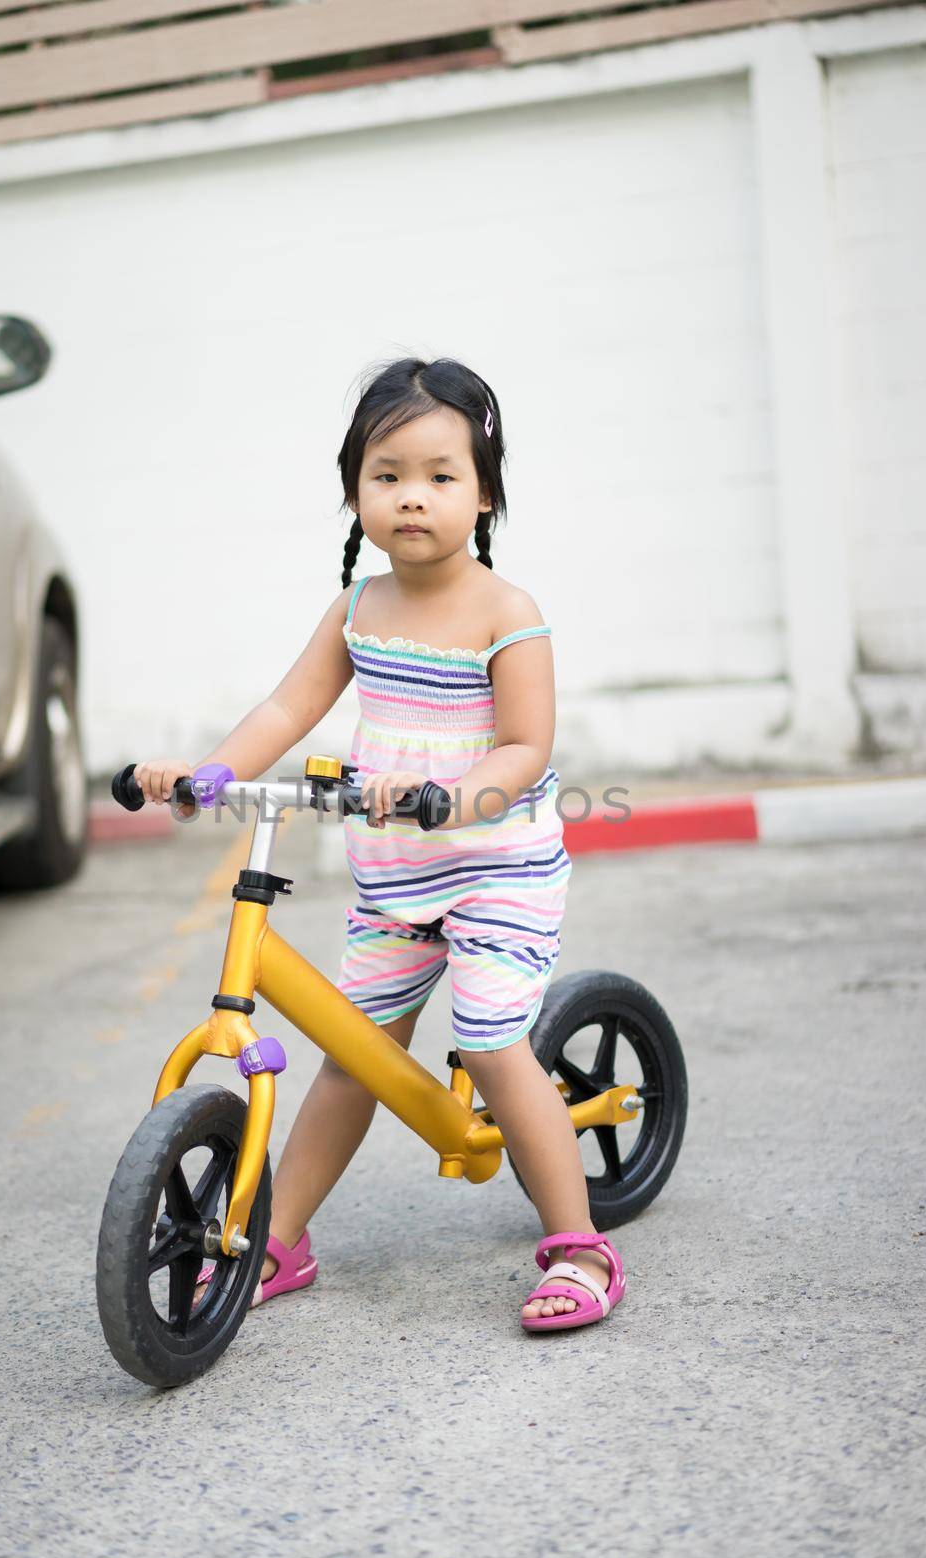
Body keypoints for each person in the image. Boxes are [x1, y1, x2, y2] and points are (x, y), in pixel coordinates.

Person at [133, 356, 625, 1335]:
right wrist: (208, 775)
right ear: (354, 491)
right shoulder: (357, 608)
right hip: (396, 875)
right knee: (352, 1053)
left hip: (494, 867)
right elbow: (288, 704)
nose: (410, 498)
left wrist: (450, 795)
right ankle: (280, 1236)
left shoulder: (505, 613)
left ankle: (578, 1244)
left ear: (483, 492)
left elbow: (527, 749)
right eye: (385, 474)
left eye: (439, 476)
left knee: (488, 1042)